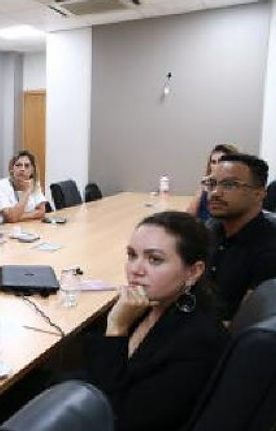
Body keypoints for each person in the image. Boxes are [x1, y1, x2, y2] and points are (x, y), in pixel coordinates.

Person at [85, 211, 229, 431]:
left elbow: (118, 418)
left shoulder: (198, 341)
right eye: (132, 255)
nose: (135, 269)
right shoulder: (150, 303)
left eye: (155, 259)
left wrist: (116, 328)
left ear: (193, 272)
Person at [203, 153, 276, 320]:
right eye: (212, 184)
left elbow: (244, 324)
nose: (215, 193)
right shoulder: (211, 229)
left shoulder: (269, 250)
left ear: (259, 194)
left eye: (229, 185)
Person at [0, 150, 48, 223]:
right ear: (12, 169)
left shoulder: (34, 184)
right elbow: (12, 218)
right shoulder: (0, 186)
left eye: (27, 166)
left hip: (24, 226)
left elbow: (41, 211)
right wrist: (27, 192)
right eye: (18, 165)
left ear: (32, 170)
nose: (22, 169)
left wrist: (19, 216)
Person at [186, 144, 239, 221]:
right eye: (213, 162)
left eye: (221, 162)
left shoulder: (233, 188)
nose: (217, 166)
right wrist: (203, 187)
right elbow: (188, 216)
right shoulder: (206, 185)